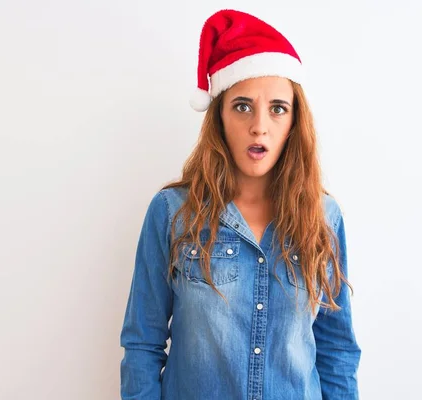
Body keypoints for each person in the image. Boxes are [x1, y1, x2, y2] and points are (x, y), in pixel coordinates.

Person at [120, 8, 361, 400]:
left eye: (277, 109)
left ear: (293, 121)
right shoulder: (171, 213)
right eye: (243, 106)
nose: (259, 126)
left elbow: (337, 352)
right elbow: (142, 346)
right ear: (219, 116)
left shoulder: (324, 217)